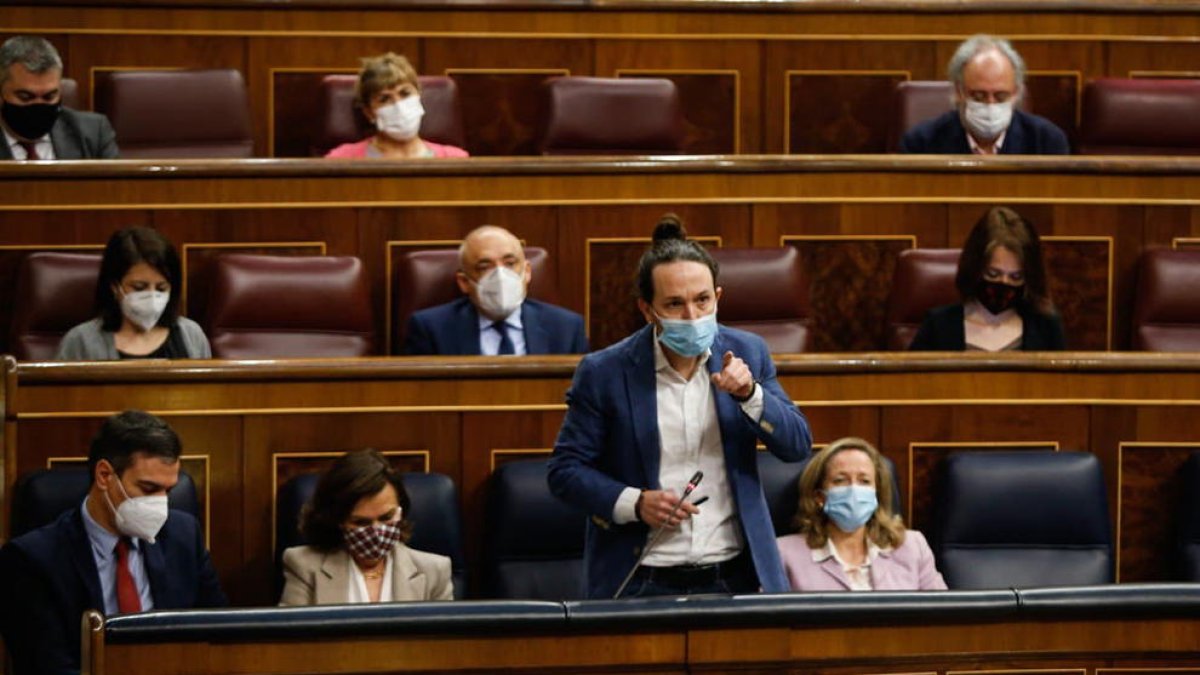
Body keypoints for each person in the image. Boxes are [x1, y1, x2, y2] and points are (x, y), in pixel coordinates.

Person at [547, 214, 812, 599]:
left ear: (718, 297)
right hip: (642, 578)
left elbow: (797, 446)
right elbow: (565, 472)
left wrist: (750, 395)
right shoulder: (605, 372)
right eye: (675, 304)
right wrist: (635, 503)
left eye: (703, 300)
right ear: (647, 310)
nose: (692, 316)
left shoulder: (748, 353)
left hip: (734, 574)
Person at [0, 410, 227, 675]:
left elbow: (218, 636)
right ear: (105, 475)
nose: (161, 504)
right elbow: (47, 666)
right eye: (149, 489)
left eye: (169, 490)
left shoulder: (184, 536)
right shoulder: (31, 560)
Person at [280, 449, 453, 605]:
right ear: (337, 520)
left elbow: (444, 640)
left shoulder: (434, 572)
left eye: (386, 517)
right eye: (361, 522)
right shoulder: (304, 567)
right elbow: (294, 638)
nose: (376, 532)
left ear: (401, 511)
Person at [776, 438, 947, 592]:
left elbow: (945, 617)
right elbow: (769, 622)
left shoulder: (912, 547)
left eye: (864, 481)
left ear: (876, 494)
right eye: (840, 480)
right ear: (819, 497)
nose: (854, 490)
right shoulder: (784, 554)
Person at [404, 225, 588, 355]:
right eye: (484, 266)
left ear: (527, 272)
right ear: (464, 282)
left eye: (510, 263)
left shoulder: (567, 328)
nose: (500, 275)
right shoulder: (431, 329)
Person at [909, 206, 1066, 351]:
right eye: (993, 274)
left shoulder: (1045, 326)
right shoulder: (938, 325)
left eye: (1016, 277)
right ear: (975, 268)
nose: (1004, 283)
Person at [55, 226, 211, 360]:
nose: (152, 297)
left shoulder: (191, 335)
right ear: (115, 286)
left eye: (161, 288)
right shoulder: (80, 341)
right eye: (139, 287)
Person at [899, 35, 1069, 155]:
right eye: (979, 96)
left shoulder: (1047, 142)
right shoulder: (921, 143)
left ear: (1016, 93)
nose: (990, 104)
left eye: (1000, 96)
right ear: (959, 92)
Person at [325, 52, 468, 159]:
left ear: (418, 96)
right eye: (385, 99)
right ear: (369, 112)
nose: (398, 105)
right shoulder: (342, 159)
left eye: (405, 94)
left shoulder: (455, 159)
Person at [0, 36, 118, 160]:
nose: (38, 105)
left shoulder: (93, 133)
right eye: (25, 97)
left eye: (49, 96)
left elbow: (117, 180)